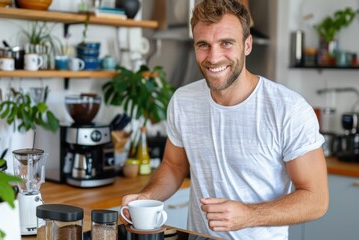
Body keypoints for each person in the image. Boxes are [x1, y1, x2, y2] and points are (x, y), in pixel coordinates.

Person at [121, 0, 329, 239]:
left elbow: (316, 199)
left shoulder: (288, 109)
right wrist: (147, 197)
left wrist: (250, 215)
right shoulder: (183, 101)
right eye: (203, 45)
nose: (214, 57)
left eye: (226, 43)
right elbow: (173, 166)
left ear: (247, 45)